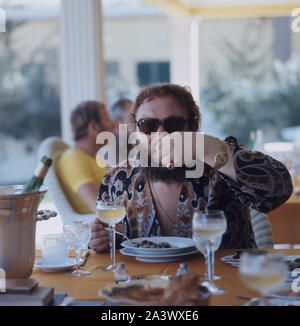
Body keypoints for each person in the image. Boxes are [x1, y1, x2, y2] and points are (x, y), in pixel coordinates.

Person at [89, 83, 293, 253]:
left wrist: (209, 147)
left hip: (226, 290)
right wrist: (101, 240)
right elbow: (113, 242)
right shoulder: (117, 179)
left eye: (173, 124)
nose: (161, 134)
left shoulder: (219, 165)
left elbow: (280, 189)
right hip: (148, 291)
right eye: (148, 126)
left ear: (192, 129)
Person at [56, 101, 114, 214]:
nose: (112, 125)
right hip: (97, 228)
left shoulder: (95, 157)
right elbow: (101, 209)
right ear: (93, 127)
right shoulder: (73, 159)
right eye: (107, 120)